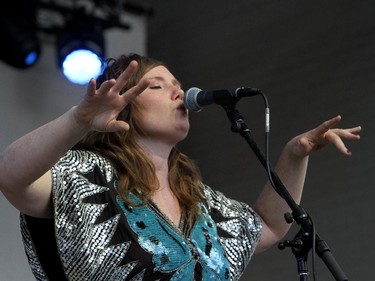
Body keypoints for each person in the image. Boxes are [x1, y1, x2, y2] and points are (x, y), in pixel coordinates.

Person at [0, 53, 361, 281]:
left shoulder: (201, 202)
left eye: (178, 85)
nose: (179, 92)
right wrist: (79, 118)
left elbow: (267, 225)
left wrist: (295, 154)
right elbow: (11, 176)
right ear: (123, 104)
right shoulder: (86, 176)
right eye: (158, 85)